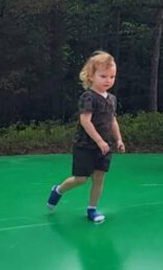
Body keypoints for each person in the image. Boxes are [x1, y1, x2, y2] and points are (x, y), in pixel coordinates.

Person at [46, 51, 125, 223]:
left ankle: (92, 210)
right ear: (90, 76)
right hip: (85, 145)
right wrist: (99, 141)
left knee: (99, 178)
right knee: (81, 179)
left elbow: (112, 120)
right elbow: (85, 121)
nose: (108, 80)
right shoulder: (88, 97)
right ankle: (58, 190)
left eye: (112, 76)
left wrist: (118, 139)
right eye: (103, 76)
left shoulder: (111, 99)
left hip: (105, 147)